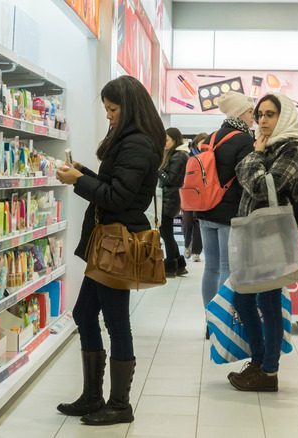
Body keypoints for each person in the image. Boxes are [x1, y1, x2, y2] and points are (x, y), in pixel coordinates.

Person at [54, 75, 164, 426]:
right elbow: (115, 186)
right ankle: (92, 396)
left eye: (112, 109)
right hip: (106, 243)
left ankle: (119, 404)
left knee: (116, 322)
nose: (108, 116)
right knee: (84, 315)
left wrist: (77, 181)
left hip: (118, 244)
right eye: (106, 109)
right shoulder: (130, 141)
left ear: (128, 107)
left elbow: (117, 198)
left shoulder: (138, 144)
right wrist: (84, 173)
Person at [228, 92, 298, 392]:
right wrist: (257, 156)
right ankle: (260, 362)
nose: (262, 119)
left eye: (270, 114)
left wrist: (254, 155)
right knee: (244, 297)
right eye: (260, 114)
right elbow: (249, 183)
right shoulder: (267, 147)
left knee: (268, 302)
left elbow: (264, 187)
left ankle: (268, 371)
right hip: (252, 235)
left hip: (272, 236)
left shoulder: (293, 149)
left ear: (283, 115)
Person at [195, 92, 254, 312]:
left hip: (204, 210)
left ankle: (209, 321)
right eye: (250, 112)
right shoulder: (245, 140)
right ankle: (221, 321)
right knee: (226, 268)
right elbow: (245, 179)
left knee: (210, 267)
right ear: (239, 113)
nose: (253, 117)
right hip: (229, 215)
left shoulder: (211, 137)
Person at [159, 127, 190, 277]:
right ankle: (179, 265)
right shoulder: (177, 155)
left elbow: (171, 179)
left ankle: (170, 267)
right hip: (170, 198)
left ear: (175, 140)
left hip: (170, 199)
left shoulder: (178, 156)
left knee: (166, 234)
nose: (164, 143)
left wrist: (157, 169)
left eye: (166, 140)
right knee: (167, 233)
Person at [182, 132, 207, 262]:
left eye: (205, 142)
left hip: (202, 194)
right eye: (201, 141)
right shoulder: (188, 156)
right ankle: (187, 245)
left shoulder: (209, 158)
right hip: (188, 193)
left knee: (198, 223)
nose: (203, 144)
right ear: (196, 143)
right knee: (187, 221)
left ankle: (196, 251)